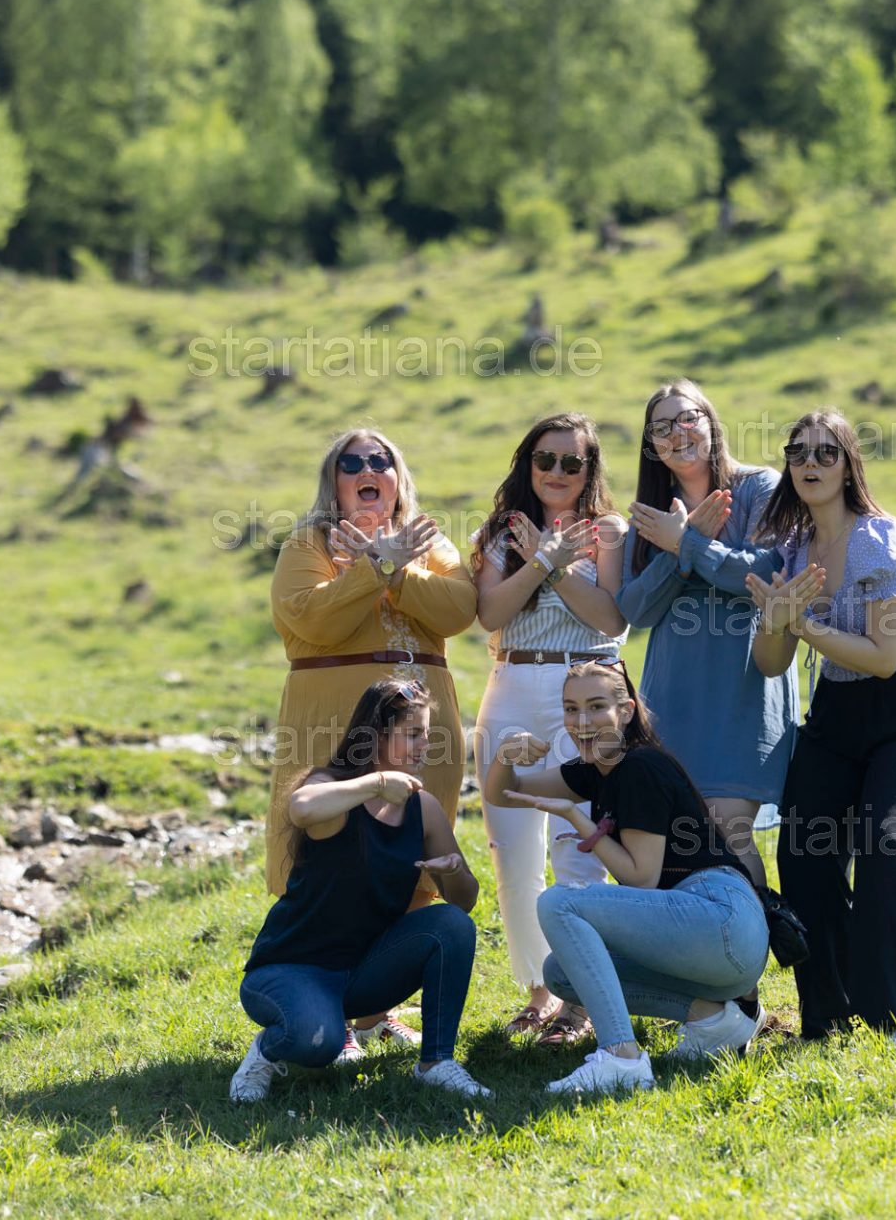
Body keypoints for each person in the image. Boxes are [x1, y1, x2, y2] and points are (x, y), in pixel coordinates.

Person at [746, 409, 896, 1042]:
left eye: (825, 453)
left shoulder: (879, 540)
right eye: (798, 453)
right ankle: (830, 1015)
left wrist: (803, 623)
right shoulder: (793, 549)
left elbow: (884, 657)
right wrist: (777, 621)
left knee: (885, 844)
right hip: (836, 714)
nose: (809, 464)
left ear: (848, 467)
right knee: (803, 851)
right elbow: (770, 662)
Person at [267, 428, 476, 1061]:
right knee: (332, 859)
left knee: (410, 860)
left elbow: (458, 610)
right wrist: (374, 566)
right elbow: (313, 617)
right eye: (351, 462)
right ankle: (318, 1003)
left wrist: (397, 567)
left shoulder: (430, 541)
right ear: (333, 481)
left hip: (423, 729)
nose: (367, 470)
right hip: (333, 723)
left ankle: (376, 1014)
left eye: (379, 461)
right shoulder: (307, 544)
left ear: (397, 476)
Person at [484, 659, 770, 1096]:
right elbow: (505, 792)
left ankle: (621, 1056)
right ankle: (716, 1020)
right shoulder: (596, 770)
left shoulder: (639, 767)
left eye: (596, 706)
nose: (582, 721)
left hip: (721, 918)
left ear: (627, 710)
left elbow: (640, 878)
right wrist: (505, 755)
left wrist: (575, 819)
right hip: (720, 951)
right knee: (561, 973)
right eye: (571, 708)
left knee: (559, 902)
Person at [618, 380, 799, 1028]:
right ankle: (711, 995)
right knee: (685, 841)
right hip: (673, 692)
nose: (678, 433)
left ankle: (748, 994)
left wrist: (690, 546)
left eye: (687, 418)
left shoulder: (758, 489)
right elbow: (635, 609)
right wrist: (677, 546)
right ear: (652, 445)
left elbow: (768, 572)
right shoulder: (652, 515)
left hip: (743, 686)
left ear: (711, 421)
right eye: (662, 427)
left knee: (730, 830)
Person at [230, 679, 490, 1102]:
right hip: (291, 969)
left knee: (449, 923)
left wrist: (454, 870)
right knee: (318, 1044)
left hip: (364, 973)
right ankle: (266, 1051)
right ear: (376, 736)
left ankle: (436, 1062)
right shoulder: (330, 786)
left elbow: (464, 902)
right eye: (413, 734)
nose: (425, 746)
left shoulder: (422, 808)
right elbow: (301, 808)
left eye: (427, 734)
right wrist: (376, 782)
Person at [471, 414, 629, 1043]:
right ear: (527, 464)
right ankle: (538, 988)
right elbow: (490, 613)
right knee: (512, 854)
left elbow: (611, 619)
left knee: (578, 845)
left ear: (590, 470)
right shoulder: (499, 533)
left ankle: (578, 999)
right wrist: (541, 558)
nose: (557, 472)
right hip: (511, 683)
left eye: (572, 462)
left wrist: (560, 568)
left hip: (586, 687)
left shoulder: (609, 532)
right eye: (545, 460)